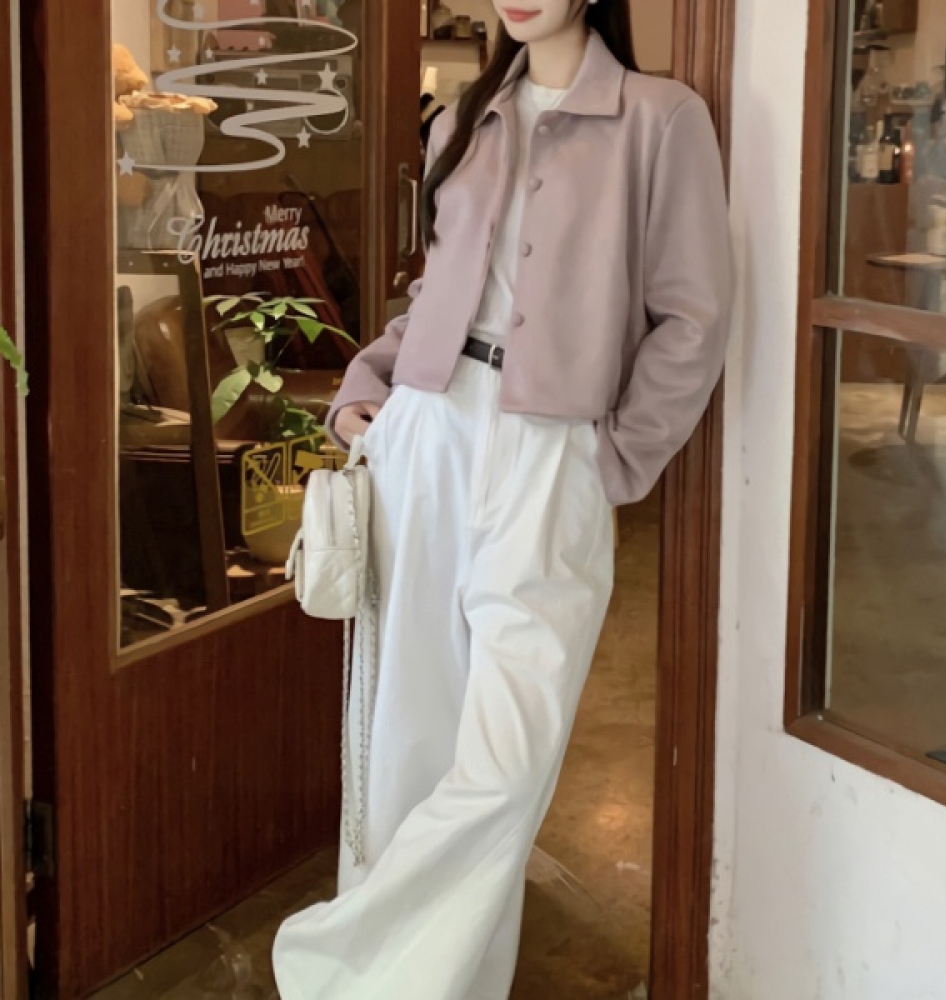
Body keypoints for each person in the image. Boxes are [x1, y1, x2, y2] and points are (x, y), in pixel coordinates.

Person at [271, 0, 733, 996]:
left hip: (553, 453)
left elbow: (694, 317)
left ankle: (335, 964)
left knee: (505, 764)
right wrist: (367, 391)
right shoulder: (462, 119)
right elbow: (436, 294)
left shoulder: (661, 119)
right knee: (406, 743)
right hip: (427, 436)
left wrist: (614, 458)